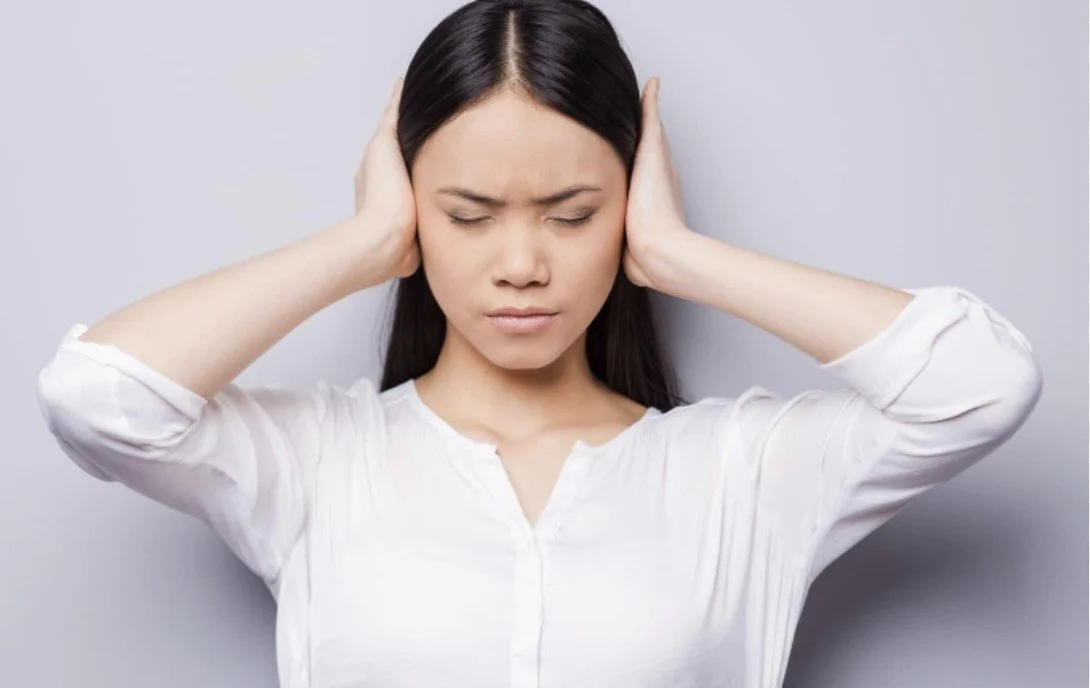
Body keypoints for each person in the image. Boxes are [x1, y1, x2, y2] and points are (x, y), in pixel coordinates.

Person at [35, 1, 1044, 686]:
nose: (521, 263)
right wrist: (362, 244)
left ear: (627, 205)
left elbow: (982, 382)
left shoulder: (742, 474)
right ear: (413, 207)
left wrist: (680, 255)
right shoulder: (315, 463)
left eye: (570, 213)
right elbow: (96, 395)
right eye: (468, 215)